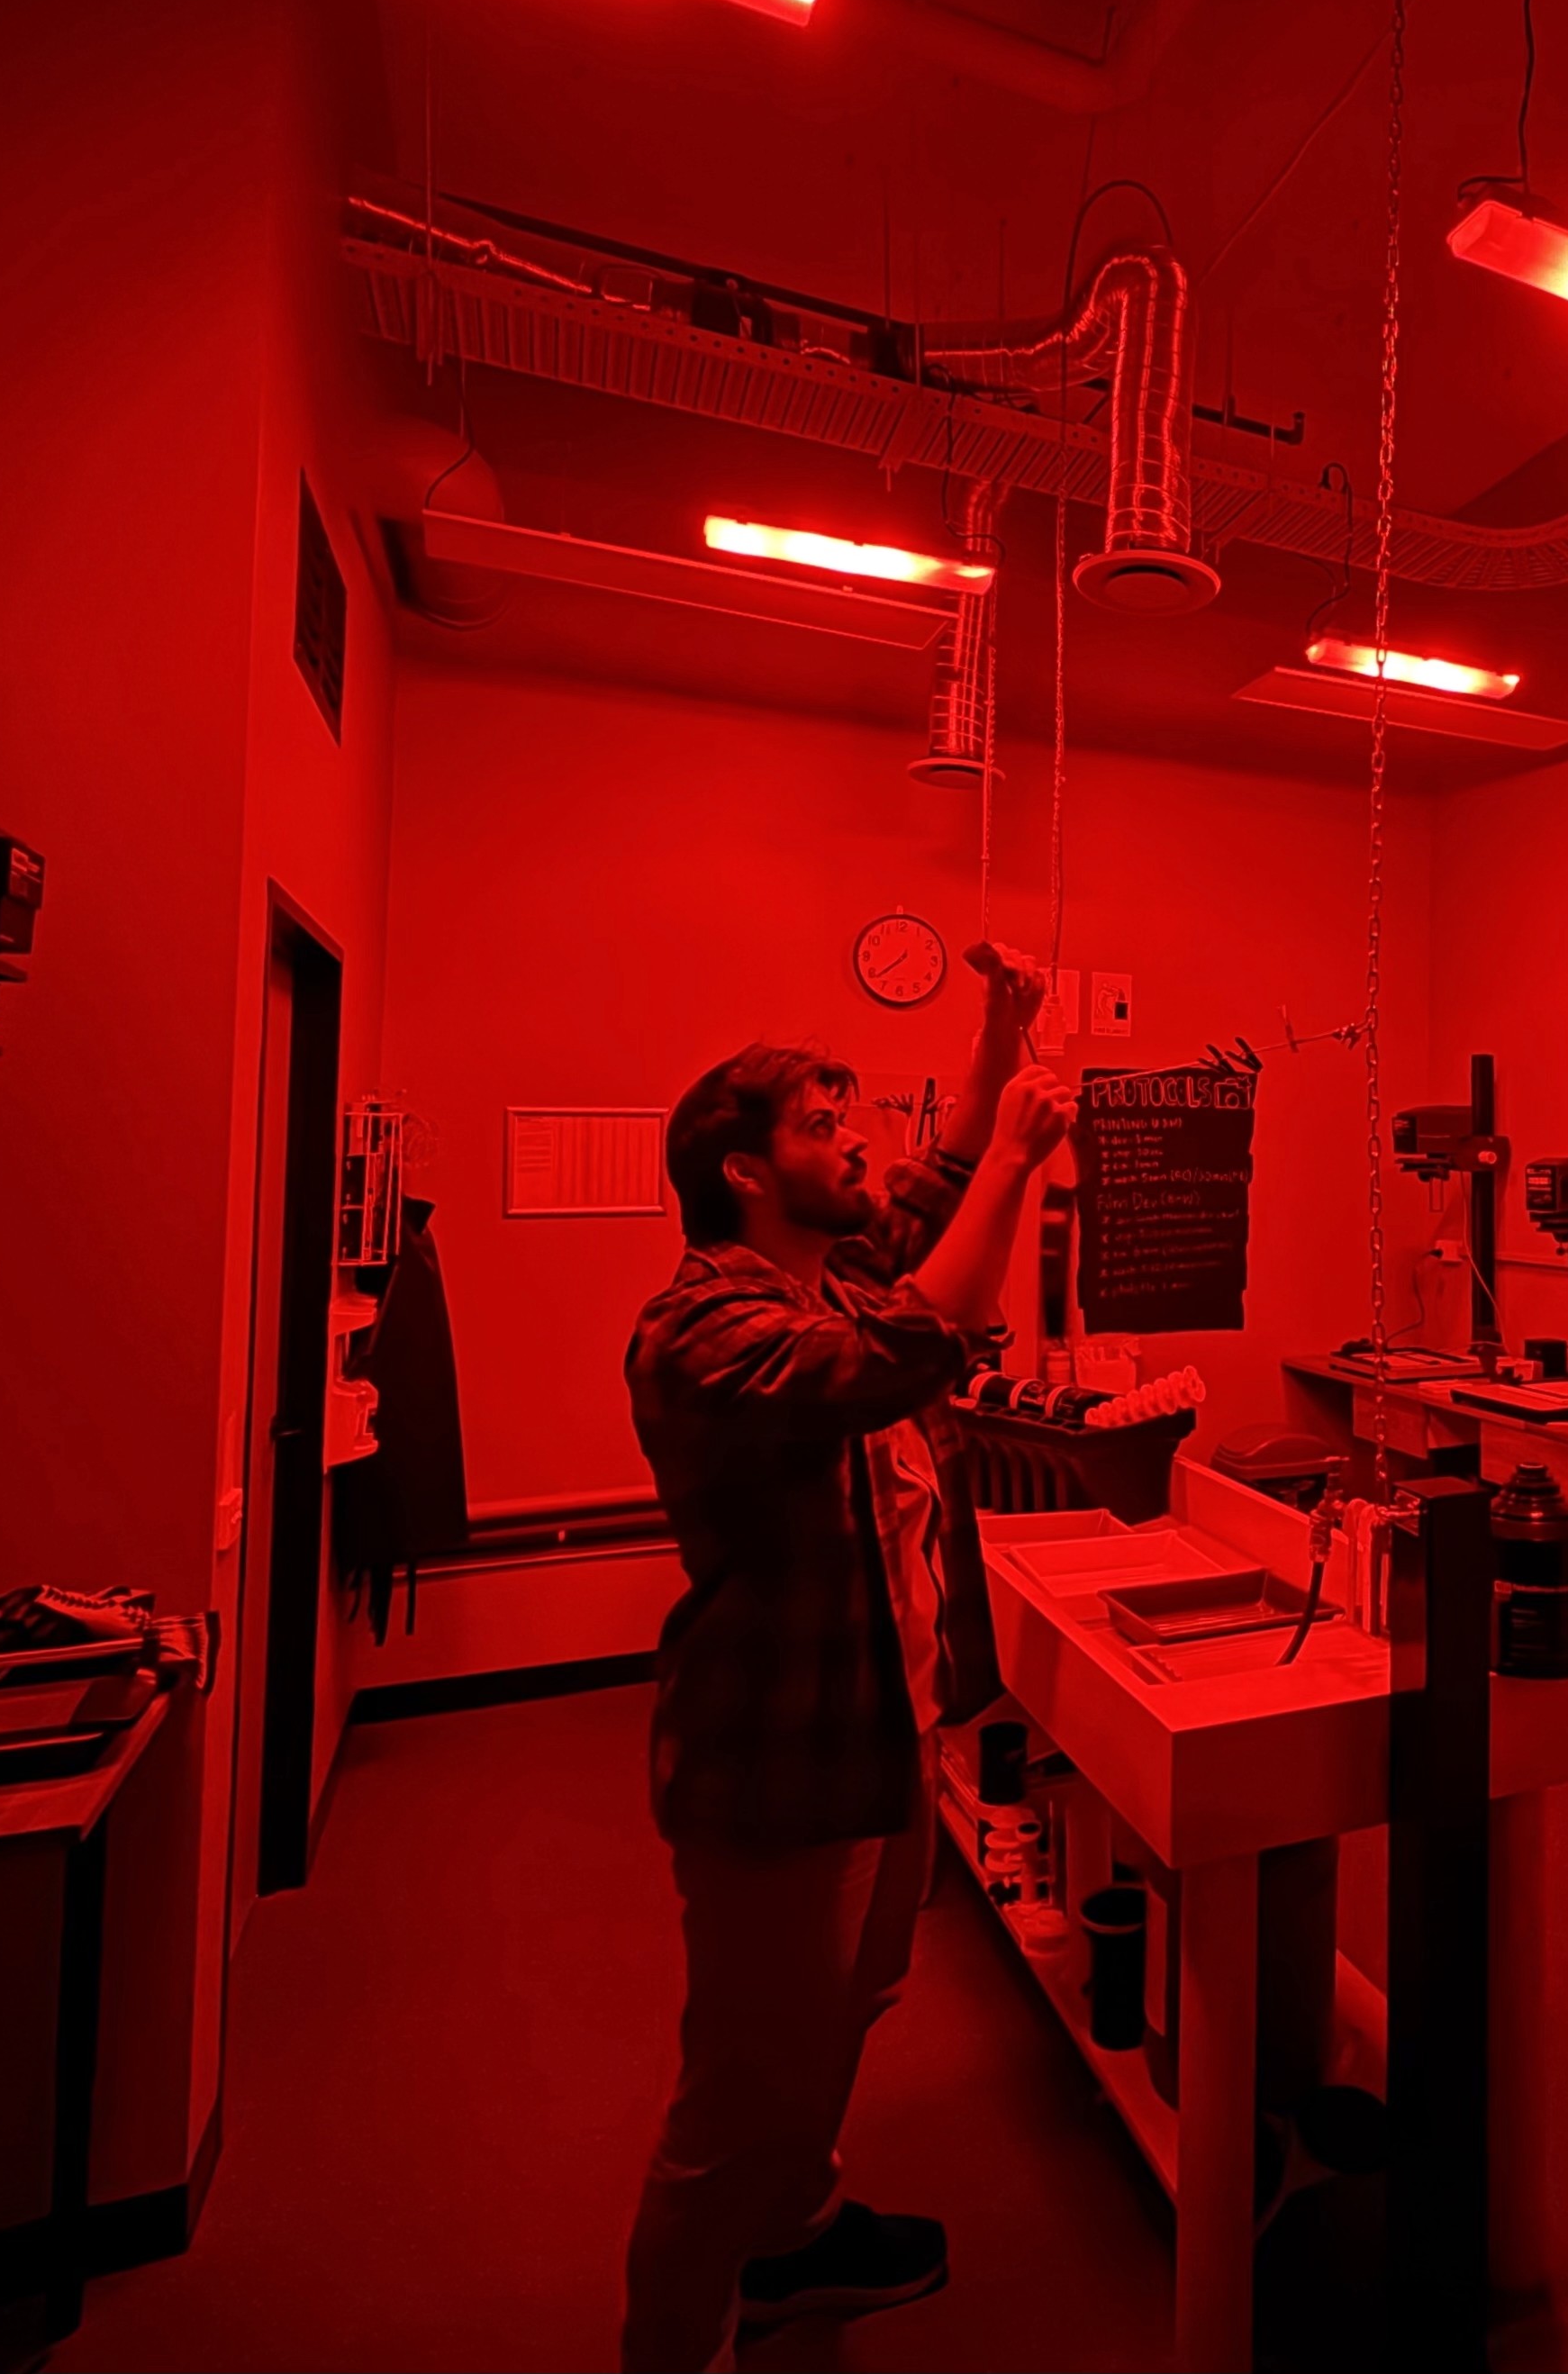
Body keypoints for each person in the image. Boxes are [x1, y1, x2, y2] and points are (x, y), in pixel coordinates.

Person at [618, 941, 1071, 2374]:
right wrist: (1018, 1159)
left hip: (883, 1740)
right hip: (775, 1770)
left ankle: (794, 2235)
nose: (861, 1142)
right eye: (825, 1125)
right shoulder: (702, 1326)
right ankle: (671, 2346)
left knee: (849, 2008)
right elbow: (919, 1343)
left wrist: (1003, 1025)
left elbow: (931, 1188)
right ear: (744, 1173)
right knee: (737, 2092)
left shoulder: (829, 1274)